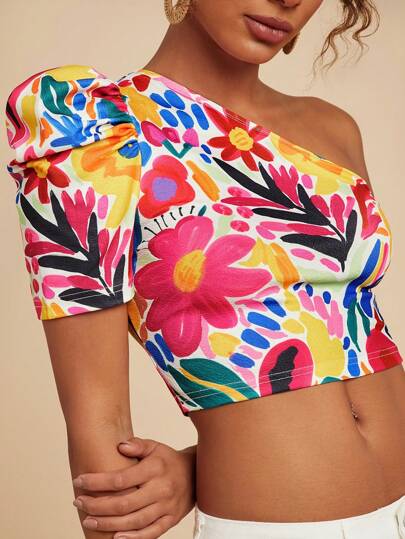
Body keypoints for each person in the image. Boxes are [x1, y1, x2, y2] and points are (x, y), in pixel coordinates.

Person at [4, 0, 405, 538]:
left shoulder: (332, 128)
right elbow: (102, 433)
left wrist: (195, 467)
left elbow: (344, 337)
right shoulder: (92, 129)